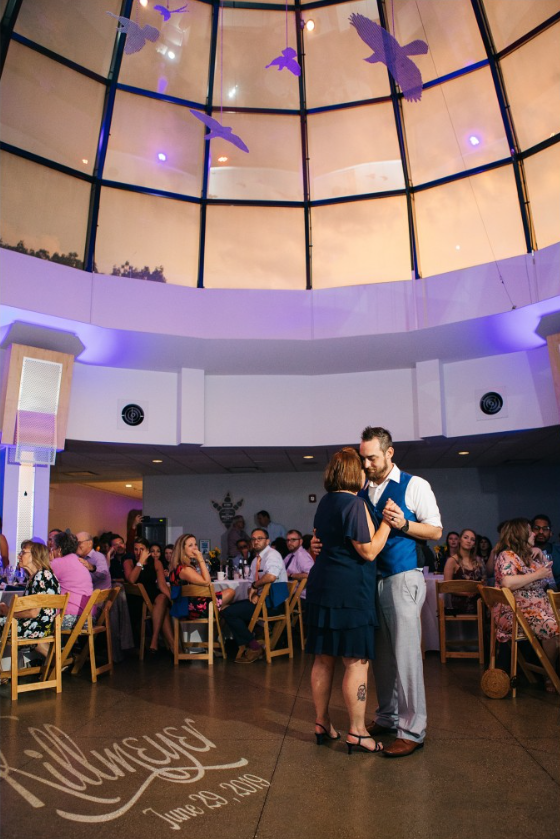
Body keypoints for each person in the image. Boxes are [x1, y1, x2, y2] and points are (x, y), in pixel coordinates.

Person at [358, 426, 442, 758]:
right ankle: (388, 715)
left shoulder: (415, 484)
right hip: (372, 579)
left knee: (406, 654)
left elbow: (435, 530)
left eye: (372, 458)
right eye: (363, 458)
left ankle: (412, 730)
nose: (366, 465)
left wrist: (404, 524)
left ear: (389, 453)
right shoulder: (364, 490)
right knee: (381, 654)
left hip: (404, 576)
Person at [306, 448, 394, 754]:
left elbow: (321, 541)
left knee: (323, 657)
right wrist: (387, 523)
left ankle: (322, 722)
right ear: (354, 474)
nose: (367, 471)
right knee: (356, 660)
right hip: (349, 591)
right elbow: (368, 551)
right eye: (363, 468)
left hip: (321, 587)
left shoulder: (326, 503)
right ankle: (357, 731)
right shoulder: (354, 504)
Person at [494, 518, 559, 692]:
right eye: (530, 531)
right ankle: (549, 674)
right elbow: (507, 582)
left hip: (540, 607)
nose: (534, 534)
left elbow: (551, 582)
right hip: (517, 611)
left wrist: (542, 557)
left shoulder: (530, 556)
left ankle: (550, 670)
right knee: (553, 627)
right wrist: (537, 574)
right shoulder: (507, 555)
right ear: (520, 534)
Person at [222, 528, 287, 663]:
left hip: (273, 603)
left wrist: (256, 587)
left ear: (267, 541)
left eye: (259, 538)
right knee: (228, 608)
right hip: (263, 601)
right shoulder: (255, 560)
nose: (256, 541)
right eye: (253, 539)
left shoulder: (272, 555)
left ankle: (254, 647)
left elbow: (271, 576)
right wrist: (254, 594)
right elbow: (251, 584)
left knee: (229, 612)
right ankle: (254, 641)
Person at [0, 541, 61, 657]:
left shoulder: (41, 577)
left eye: (23, 552)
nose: (19, 556)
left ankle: (4, 671)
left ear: (35, 555)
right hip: (43, 625)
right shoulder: (39, 576)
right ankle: (57, 660)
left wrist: (8, 612)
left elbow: (33, 612)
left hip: (38, 626)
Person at [123, 536, 174, 654]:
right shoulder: (129, 562)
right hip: (137, 601)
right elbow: (131, 579)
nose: (138, 552)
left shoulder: (156, 563)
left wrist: (172, 600)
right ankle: (173, 647)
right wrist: (140, 562)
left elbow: (162, 585)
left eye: (142, 549)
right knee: (164, 610)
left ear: (147, 550)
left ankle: (155, 641)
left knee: (163, 597)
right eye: (135, 549)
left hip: (152, 596)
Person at [168, 534, 235, 618]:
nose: (195, 548)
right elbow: (207, 582)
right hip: (191, 608)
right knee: (230, 592)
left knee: (227, 609)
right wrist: (200, 559)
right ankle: (215, 629)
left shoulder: (180, 567)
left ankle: (215, 629)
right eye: (190, 545)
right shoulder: (184, 569)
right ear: (182, 550)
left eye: (195, 544)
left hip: (187, 606)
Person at [50, 531, 93, 629]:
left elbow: (41, 580)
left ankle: (48, 645)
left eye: (53, 548)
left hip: (70, 618)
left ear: (59, 550)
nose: (51, 551)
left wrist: (51, 562)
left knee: (39, 621)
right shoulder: (79, 560)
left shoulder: (58, 563)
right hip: (88, 618)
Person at [443, 528, 486, 613]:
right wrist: (466, 593)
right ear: (460, 540)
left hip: (479, 602)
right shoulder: (452, 561)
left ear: (474, 544)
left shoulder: (479, 561)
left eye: (472, 539)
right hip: (459, 604)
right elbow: (446, 587)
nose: (469, 541)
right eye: (466, 537)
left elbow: (485, 582)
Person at [284, 530, 314, 601]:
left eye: (293, 540)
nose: (289, 543)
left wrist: (290, 575)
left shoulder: (302, 555)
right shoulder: (289, 556)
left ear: (300, 541)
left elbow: (311, 575)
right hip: (289, 594)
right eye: (287, 540)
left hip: (300, 597)